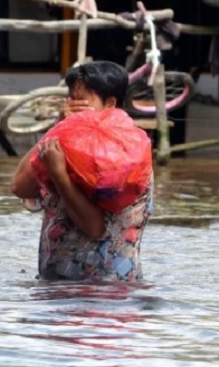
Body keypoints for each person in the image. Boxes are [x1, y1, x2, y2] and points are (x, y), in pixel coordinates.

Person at [10, 61, 153, 282]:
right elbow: (19, 187)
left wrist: (60, 176)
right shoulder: (64, 148)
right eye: (71, 100)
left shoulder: (125, 157)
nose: (72, 108)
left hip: (107, 291)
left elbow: (94, 228)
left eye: (81, 103)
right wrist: (58, 127)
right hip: (56, 288)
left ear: (110, 104)